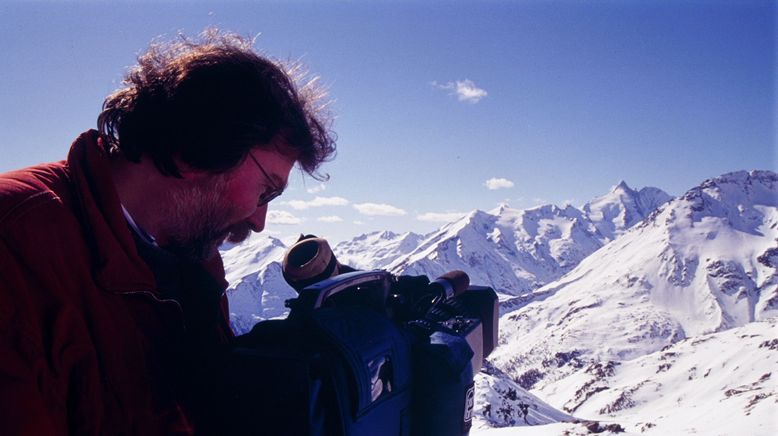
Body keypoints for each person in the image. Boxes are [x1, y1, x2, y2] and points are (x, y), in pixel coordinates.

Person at [0, 29, 335, 435]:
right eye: (267, 191)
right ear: (205, 145)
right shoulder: (16, 246)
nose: (258, 221)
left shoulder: (191, 259)